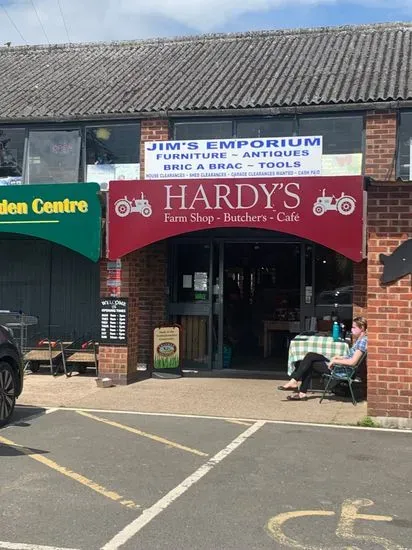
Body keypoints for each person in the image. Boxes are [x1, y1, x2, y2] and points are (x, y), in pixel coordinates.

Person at [278, 316, 368, 401]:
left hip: (341, 370)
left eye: (354, 327)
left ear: (362, 328)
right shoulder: (360, 340)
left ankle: (298, 387)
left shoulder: (362, 342)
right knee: (310, 356)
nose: (352, 330)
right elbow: (350, 356)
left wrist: (335, 361)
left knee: (309, 361)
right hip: (340, 366)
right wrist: (339, 357)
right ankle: (296, 384)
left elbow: (353, 362)